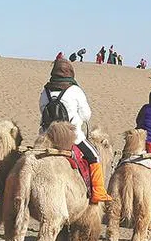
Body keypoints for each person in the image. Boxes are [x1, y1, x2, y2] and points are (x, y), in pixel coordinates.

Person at [39, 54, 111, 202]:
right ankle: (98, 192)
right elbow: (86, 115)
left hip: (47, 136)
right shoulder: (75, 90)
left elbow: (42, 110)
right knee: (95, 156)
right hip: (72, 137)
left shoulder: (45, 91)